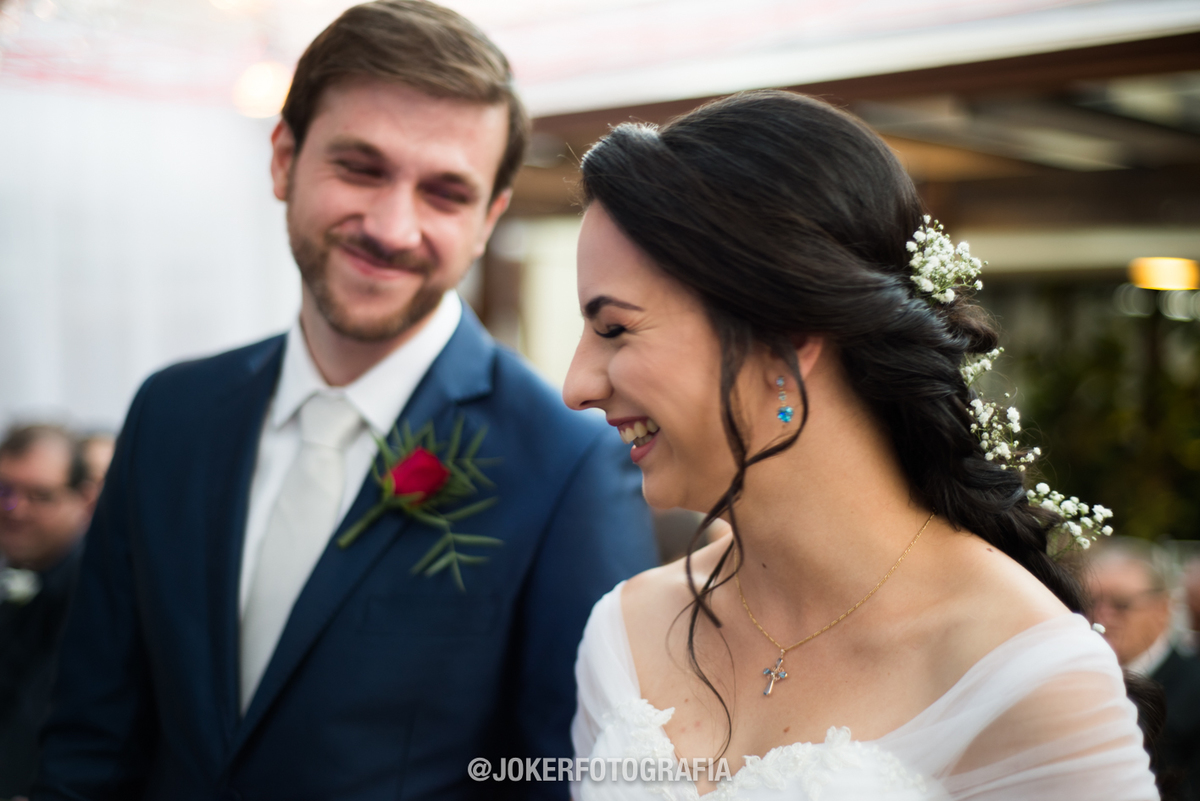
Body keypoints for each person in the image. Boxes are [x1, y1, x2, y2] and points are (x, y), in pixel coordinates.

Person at [33, 2, 654, 799]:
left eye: (445, 192)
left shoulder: (567, 464)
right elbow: (91, 732)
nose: (393, 227)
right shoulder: (171, 412)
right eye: (360, 168)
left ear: (487, 219)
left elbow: (555, 775)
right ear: (284, 158)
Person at [563, 90, 1159, 800]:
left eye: (614, 329)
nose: (576, 384)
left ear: (786, 335)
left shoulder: (1024, 675)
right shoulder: (625, 635)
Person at [0, 425, 97, 799]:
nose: (15, 510)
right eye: (4, 492)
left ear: (84, 500)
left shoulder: (95, 596)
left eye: (40, 495)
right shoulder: (20, 573)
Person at [1088, 539, 1200, 800]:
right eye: (1089, 601)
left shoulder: (1194, 688)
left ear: (1162, 609)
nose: (1101, 616)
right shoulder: (1079, 681)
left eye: (1121, 604)